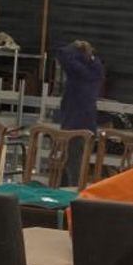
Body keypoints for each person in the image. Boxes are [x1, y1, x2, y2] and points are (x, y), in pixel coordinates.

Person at [55, 39, 104, 184]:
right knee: (74, 164)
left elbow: (62, 54)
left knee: (73, 166)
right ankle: (68, 191)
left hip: (73, 124)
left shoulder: (79, 74)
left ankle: (72, 196)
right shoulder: (95, 71)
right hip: (87, 123)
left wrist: (74, 47)